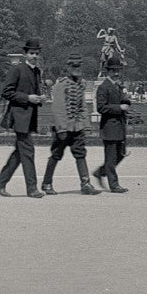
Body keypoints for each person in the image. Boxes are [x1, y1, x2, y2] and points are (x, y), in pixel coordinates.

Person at [0, 39, 46, 198]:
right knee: (28, 151)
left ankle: (0, 182)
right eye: (31, 53)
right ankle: (32, 189)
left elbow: (33, 92)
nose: (34, 56)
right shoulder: (17, 70)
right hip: (19, 117)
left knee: (20, 153)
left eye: (36, 54)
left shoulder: (37, 71)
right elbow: (6, 92)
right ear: (25, 54)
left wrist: (39, 98)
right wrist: (27, 98)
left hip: (29, 117)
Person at [42, 54, 100, 195]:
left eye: (78, 66)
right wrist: (61, 128)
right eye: (73, 66)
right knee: (56, 154)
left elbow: (83, 107)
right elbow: (58, 107)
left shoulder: (81, 84)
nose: (76, 69)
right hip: (64, 128)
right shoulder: (61, 85)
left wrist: (86, 125)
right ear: (68, 68)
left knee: (80, 154)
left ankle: (85, 184)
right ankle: (46, 183)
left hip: (77, 127)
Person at [93, 32, 133, 192]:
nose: (116, 73)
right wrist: (119, 108)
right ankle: (114, 184)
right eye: (113, 71)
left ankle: (99, 172)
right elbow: (101, 108)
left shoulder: (118, 86)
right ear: (108, 71)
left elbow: (124, 103)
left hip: (119, 126)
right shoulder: (103, 87)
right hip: (109, 127)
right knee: (111, 157)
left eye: (118, 70)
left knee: (121, 154)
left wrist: (127, 99)